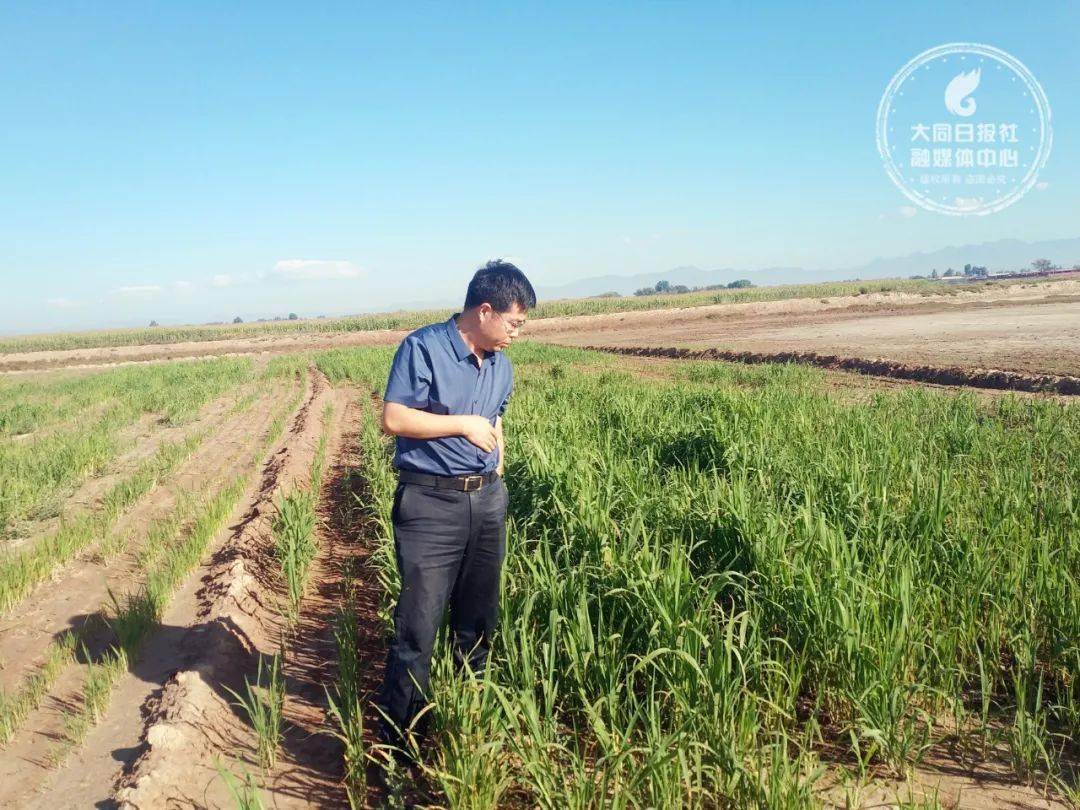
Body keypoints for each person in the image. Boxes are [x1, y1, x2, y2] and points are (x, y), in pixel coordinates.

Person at [375, 259, 536, 760]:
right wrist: (462, 424)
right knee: (418, 628)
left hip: (485, 501)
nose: (516, 333)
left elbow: (496, 420)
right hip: (430, 504)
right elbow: (393, 417)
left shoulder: (501, 365)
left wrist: (498, 467)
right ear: (484, 311)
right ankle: (400, 745)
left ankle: (472, 722)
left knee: (479, 620)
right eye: (513, 323)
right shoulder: (423, 348)